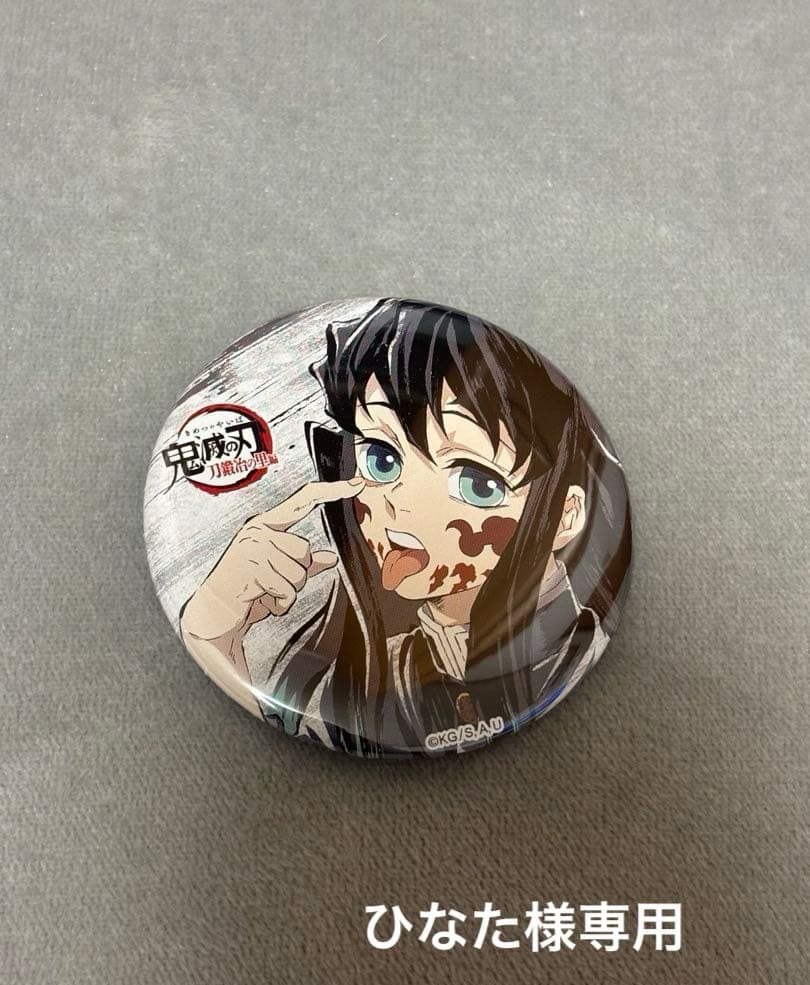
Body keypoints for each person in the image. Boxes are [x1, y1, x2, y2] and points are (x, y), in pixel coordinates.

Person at [179, 299, 631, 756]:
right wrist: (217, 635)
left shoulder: (570, 649)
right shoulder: (367, 679)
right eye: (382, 458)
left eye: (476, 483)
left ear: (567, 516)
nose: (399, 510)